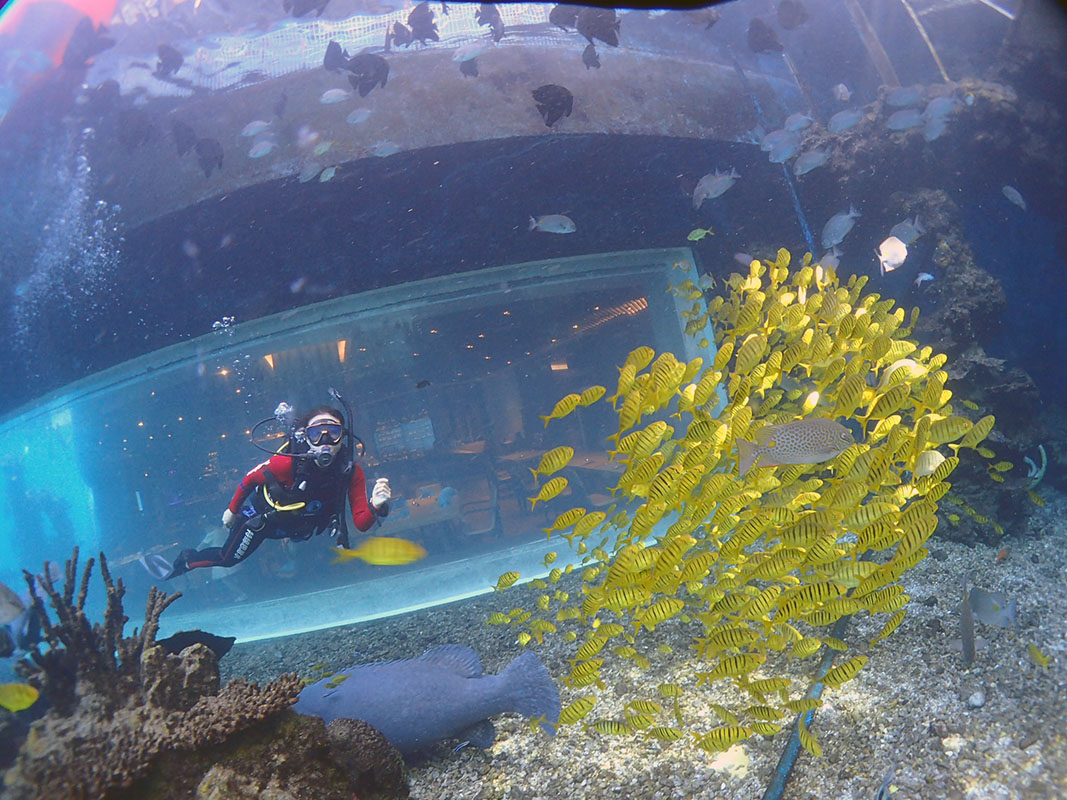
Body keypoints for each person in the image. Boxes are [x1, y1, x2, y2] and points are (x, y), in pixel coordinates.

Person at [164, 404, 390, 579]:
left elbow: (361, 523)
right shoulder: (287, 463)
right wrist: (232, 511)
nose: (325, 441)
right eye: (316, 434)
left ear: (343, 437)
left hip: (299, 528)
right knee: (228, 558)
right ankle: (186, 561)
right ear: (305, 438)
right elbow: (250, 478)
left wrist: (376, 505)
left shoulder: (350, 471)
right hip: (262, 521)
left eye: (333, 432)